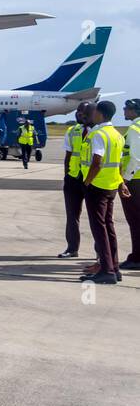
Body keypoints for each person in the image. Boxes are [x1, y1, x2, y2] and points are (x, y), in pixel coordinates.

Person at [81, 100, 127, 284]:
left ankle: (107, 270)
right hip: (111, 186)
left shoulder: (98, 134)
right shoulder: (117, 135)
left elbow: (97, 162)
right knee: (108, 226)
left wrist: (87, 181)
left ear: (99, 113)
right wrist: (121, 182)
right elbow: (119, 163)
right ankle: (114, 268)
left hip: (97, 186)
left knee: (99, 228)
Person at [60, 101, 94, 258]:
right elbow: (68, 155)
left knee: (97, 218)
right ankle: (72, 248)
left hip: (93, 180)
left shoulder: (98, 132)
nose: (79, 114)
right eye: (78, 111)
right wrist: (67, 175)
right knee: (72, 215)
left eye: (83, 111)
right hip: (74, 178)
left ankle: (101, 252)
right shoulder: (72, 130)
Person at [119, 99, 140, 271]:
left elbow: (135, 158)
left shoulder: (134, 129)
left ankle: (136, 258)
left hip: (135, 181)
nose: (124, 111)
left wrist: (125, 180)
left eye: (127, 108)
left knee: (135, 220)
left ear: (135, 111)